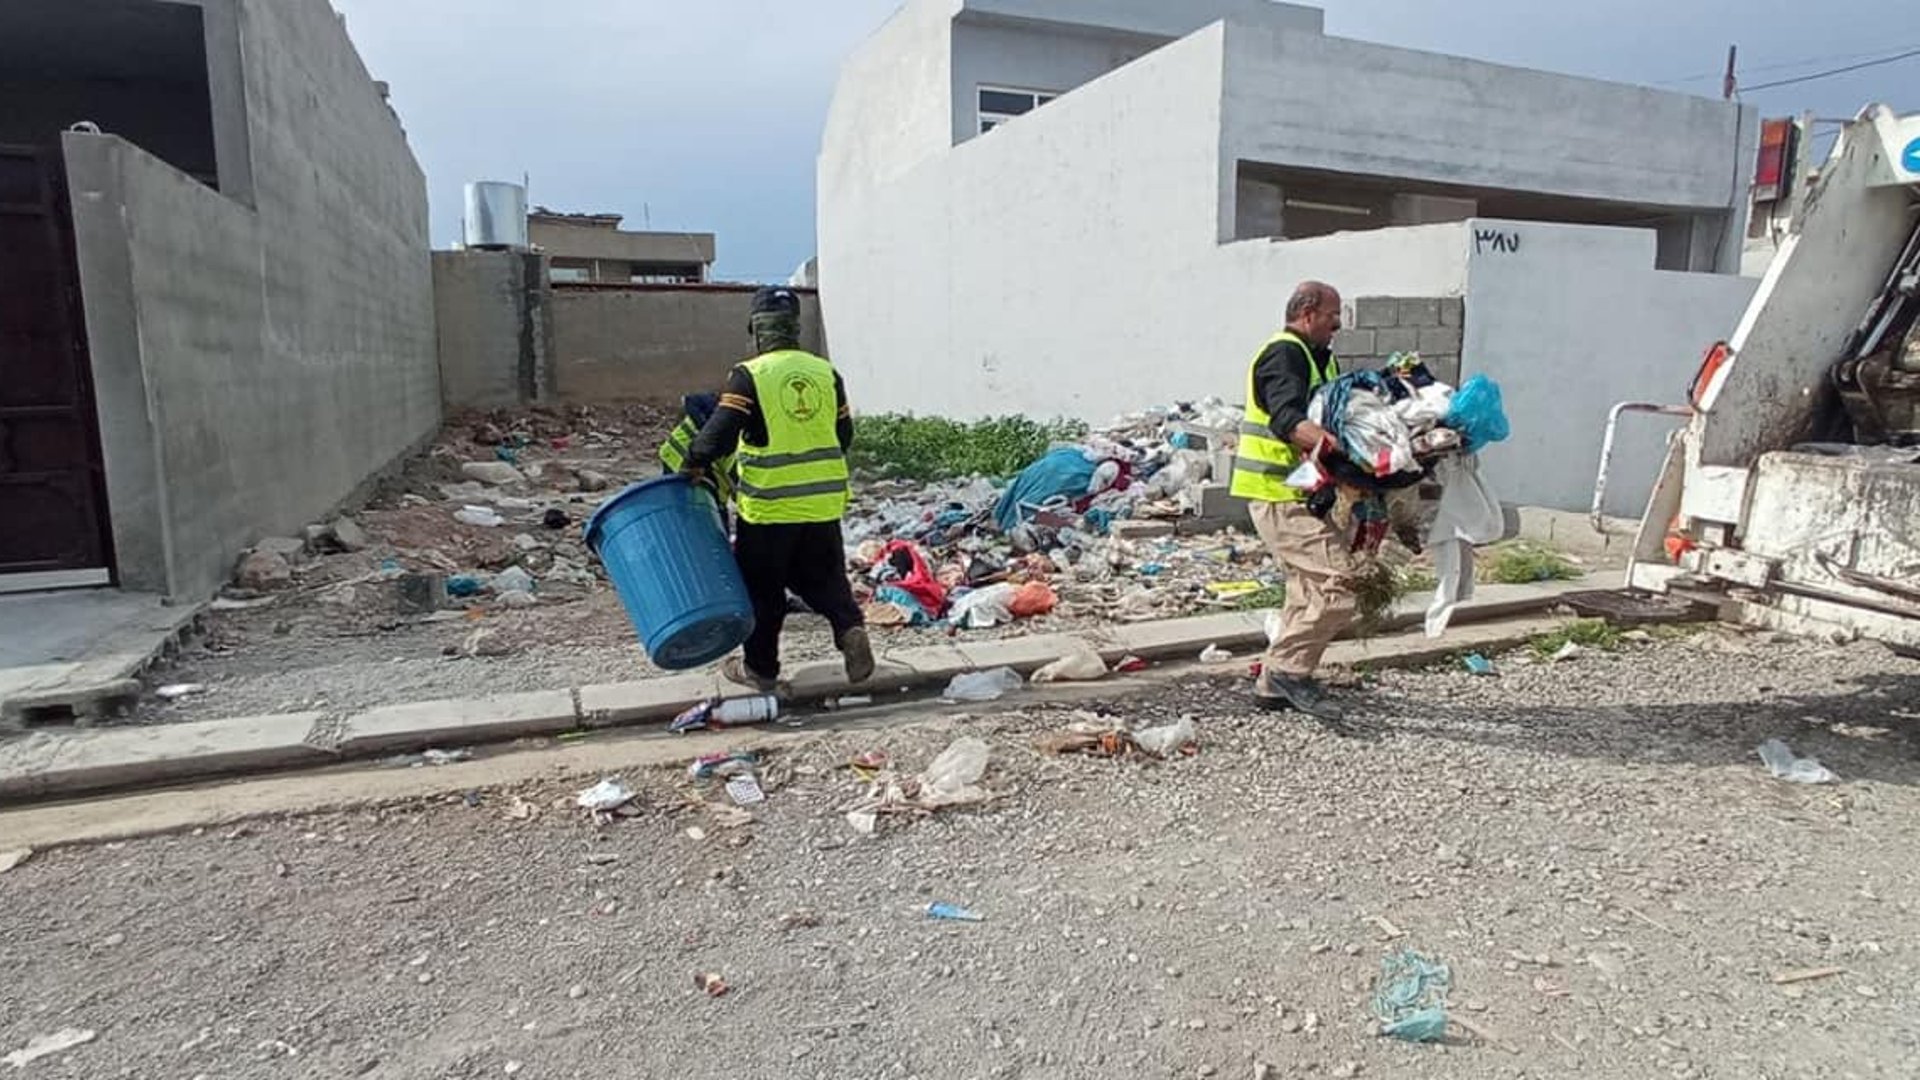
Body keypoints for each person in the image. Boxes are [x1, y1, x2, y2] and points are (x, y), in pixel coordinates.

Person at [681, 286, 874, 691]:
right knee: (826, 578)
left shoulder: (750, 375)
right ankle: (850, 629)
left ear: (756, 329)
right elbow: (844, 435)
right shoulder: (826, 373)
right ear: (795, 328)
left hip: (769, 508)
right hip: (822, 503)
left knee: (763, 591)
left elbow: (719, 432)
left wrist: (694, 462)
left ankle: (762, 670)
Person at [1231, 280, 1362, 721]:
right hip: (1276, 493)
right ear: (1307, 313)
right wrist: (1340, 448)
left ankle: (1274, 687)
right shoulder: (1284, 353)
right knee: (1338, 583)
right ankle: (1288, 668)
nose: (1337, 326)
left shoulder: (1318, 358)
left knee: (1306, 591)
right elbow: (1285, 417)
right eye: (1332, 317)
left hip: (1299, 494)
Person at [657, 391, 735, 529]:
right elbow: (690, 399)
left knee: (706, 514)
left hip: (704, 469)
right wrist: (706, 431)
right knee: (685, 513)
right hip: (678, 458)